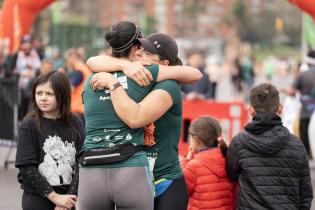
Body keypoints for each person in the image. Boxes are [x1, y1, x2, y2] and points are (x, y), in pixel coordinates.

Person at [87, 32, 203, 210]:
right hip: (133, 176)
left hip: (163, 180)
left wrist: (113, 84)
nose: (140, 53)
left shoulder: (168, 85)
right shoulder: (135, 79)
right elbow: (92, 61)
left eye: (148, 53)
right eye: (140, 49)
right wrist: (123, 65)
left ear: (164, 64)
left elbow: (136, 118)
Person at [226, 83, 313, 210]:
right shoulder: (296, 145)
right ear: (280, 109)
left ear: (250, 110)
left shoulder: (239, 142)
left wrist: (225, 150)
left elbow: (231, 175)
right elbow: (305, 194)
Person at [15, 71, 84, 210]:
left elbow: (81, 160)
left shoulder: (75, 121)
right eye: (39, 93)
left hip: (67, 200)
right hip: (37, 198)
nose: (43, 98)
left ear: (62, 95)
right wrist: (54, 197)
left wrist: (69, 197)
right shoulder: (29, 124)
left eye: (49, 94)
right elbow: (26, 166)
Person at [180, 115, 235, 210]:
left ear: (196, 140)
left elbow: (181, 188)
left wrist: (186, 161)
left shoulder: (194, 166)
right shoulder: (229, 160)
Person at [288, 50, 315, 157]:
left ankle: (307, 157)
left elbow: (292, 92)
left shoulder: (303, 75)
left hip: (306, 112)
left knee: (304, 136)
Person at [64, 48, 91, 123]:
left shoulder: (79, 72)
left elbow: (68, 89)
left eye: (67, 60)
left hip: (77, 110)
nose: (67, 63)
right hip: (85, 108)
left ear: (72, 57)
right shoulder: (87, 69)